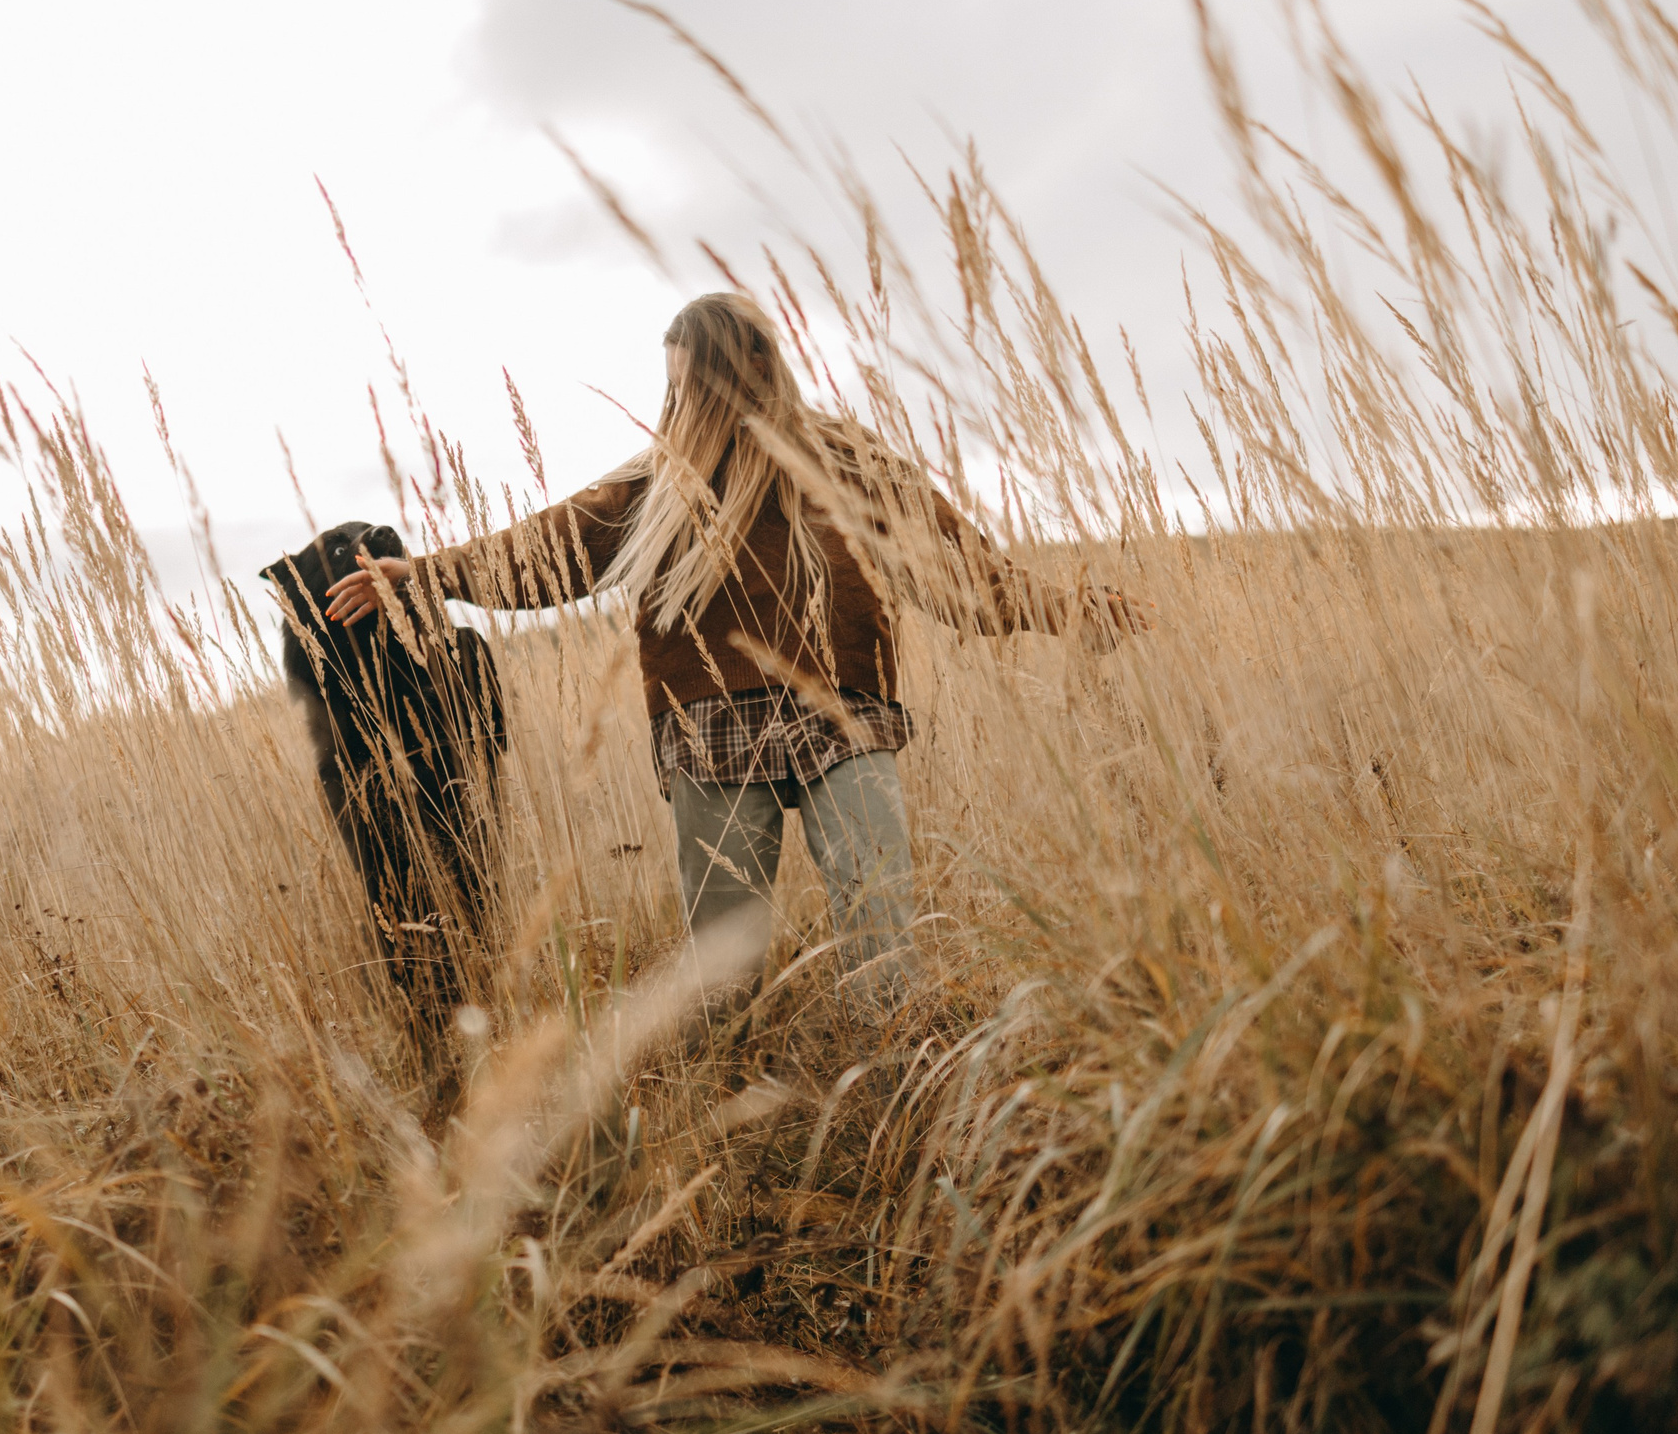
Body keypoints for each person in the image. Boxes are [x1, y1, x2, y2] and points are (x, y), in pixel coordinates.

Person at [323, 291, 1143, 1028]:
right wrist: (427, 576)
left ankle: (894, 1085)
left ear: (759, 358)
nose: (688, 397)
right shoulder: (657, 482)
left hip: (843, 707)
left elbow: (965, 572)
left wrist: (1071, 609)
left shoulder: (855, 463)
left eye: (702, 374)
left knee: (881, 919)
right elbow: (551, 546)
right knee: (723, 962)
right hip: (708, 717)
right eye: (679, 382)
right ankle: (734, 1100)